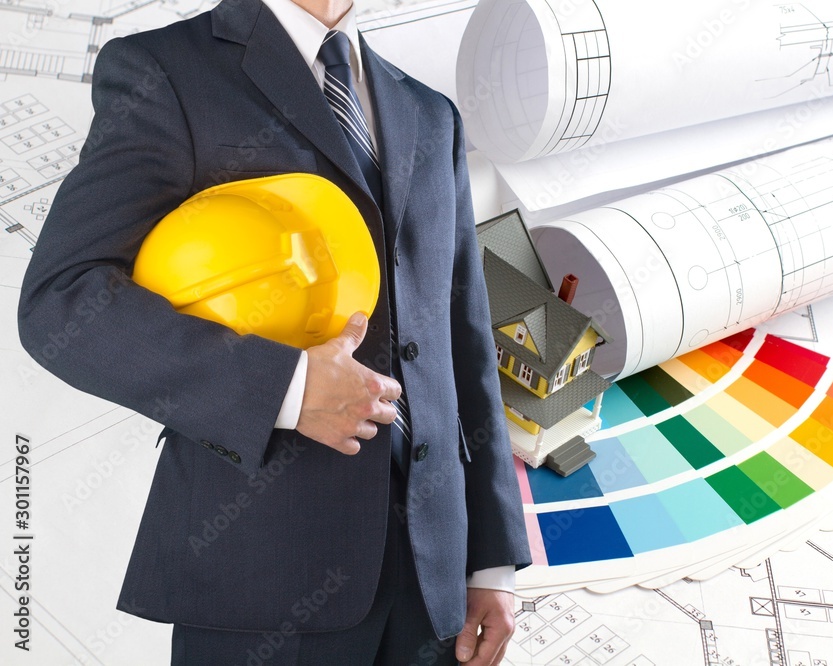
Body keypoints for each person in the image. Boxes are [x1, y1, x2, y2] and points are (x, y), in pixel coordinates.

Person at [15, 0, 532, 662]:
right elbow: (63, 299)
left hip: (433, 588)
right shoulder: (168, 70)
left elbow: (465, 343)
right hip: (263, 577)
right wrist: (286, 387)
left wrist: (490, 562)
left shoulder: (432, 113)